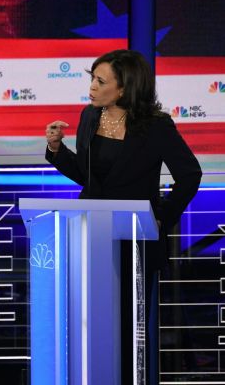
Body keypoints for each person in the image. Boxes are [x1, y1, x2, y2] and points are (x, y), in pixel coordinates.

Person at [44, 49, 202, 384]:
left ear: (124, 88)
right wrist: (57, 151)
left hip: (135, 240)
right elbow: (90, 178)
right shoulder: (89, 117)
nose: (92, 87)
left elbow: (190, 174)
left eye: (101, 81)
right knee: (88, 325)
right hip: (91, 235)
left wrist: (161, 216)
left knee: (128, 331)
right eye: (92, 79)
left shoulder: (156, 127)